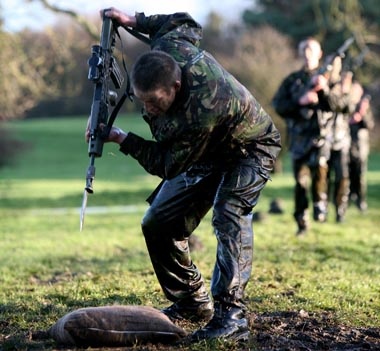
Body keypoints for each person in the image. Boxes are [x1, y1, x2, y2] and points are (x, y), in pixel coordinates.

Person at [86, 8, 281, 343]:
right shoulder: (170, 48)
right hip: (207, 149)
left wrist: (122, 138)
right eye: (142, 102)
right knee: (158, 222)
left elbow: (167, 164)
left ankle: (232, 318)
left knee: (229, 214)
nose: (148, 111)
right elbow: (184, 21)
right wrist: (134, 20)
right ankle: (192, 301)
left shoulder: (202, 109)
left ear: (175, 86)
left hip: (249, 148)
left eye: (156, 105)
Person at [272, 37, 347, 235]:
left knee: (321, 173)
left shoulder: (330, 78)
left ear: (319, 54)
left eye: (311, 51)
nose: (307, 55)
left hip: (321, 137)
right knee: (300, 182)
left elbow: (340, 105)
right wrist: (300, 101)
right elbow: (279, 105)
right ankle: (301, 221)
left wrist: (324, 90)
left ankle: (320, 206)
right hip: (298, 140)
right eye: (304, 51)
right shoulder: (292, 80)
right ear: (300, 54)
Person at [348, 81, 375, 212]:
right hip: (347, 145)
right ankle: (347, 199)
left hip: (361, 146)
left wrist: (362, 114)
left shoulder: (365, 107)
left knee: (360, 175)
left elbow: (369, 125)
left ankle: (361, 201)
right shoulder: (347, 105)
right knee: (347, 174)